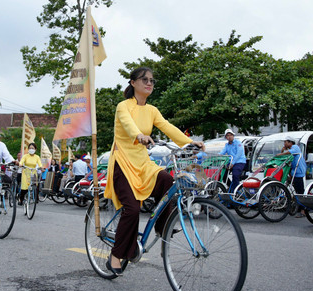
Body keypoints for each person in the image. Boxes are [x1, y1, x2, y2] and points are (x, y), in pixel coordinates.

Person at [104, 67, 203, 276]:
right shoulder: (123, 106)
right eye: (144, 79)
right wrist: (139, 135)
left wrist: (189, 142)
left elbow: (167, 127)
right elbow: (129, 126)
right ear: (133, 83)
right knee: (131, 208)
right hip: (123, 161)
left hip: (143, 162)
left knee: (167, 181)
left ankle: (162, 228)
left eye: (152, 80)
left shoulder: (152, 110)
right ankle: (116, 254)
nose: (149, 83)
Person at [276, 136, 307, 218]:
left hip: (298, 172)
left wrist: (280, 153)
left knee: (300, 192)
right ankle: (294, 205)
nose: (284, 143)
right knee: (293, 189)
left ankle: (303, 211)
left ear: (290, 142)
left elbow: (289, 153)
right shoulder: (289, 150)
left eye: (285, 142)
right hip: (293, 172)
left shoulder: (295, 147)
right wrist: (282, 150)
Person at [219, 129, 246, 193]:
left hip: (239, 162)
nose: (229, 136)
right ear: (226, 137)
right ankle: (231, 186)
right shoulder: (227, 145)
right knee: (222, 174)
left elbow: (239, 154)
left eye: (231, 135)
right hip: (230, 163)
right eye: (227, 135)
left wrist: (233, 163)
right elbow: (222, 153)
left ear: (233, 135)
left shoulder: (238, 143)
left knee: (235, 175)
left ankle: (236, 190)